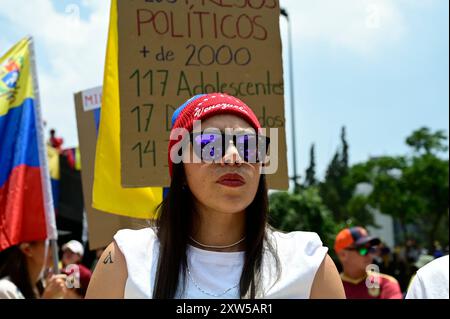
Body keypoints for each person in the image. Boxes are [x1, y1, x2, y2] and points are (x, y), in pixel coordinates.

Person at [86, 93, 346, 299]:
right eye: (209, 144)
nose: (234, 156)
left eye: (249, 145)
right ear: (180, 167)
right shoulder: (125, 258)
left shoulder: (310, 264)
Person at [335, 226, 402, 299]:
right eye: (362, 250)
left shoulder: (386, 283)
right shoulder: (330, 287)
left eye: (371, 249)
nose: (369, 254)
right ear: (343, 255)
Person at [0, 240, 67, 299]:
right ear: (27, 249)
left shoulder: (41, 287)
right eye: (49, 243)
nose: (56, 248)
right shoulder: (5, 289)